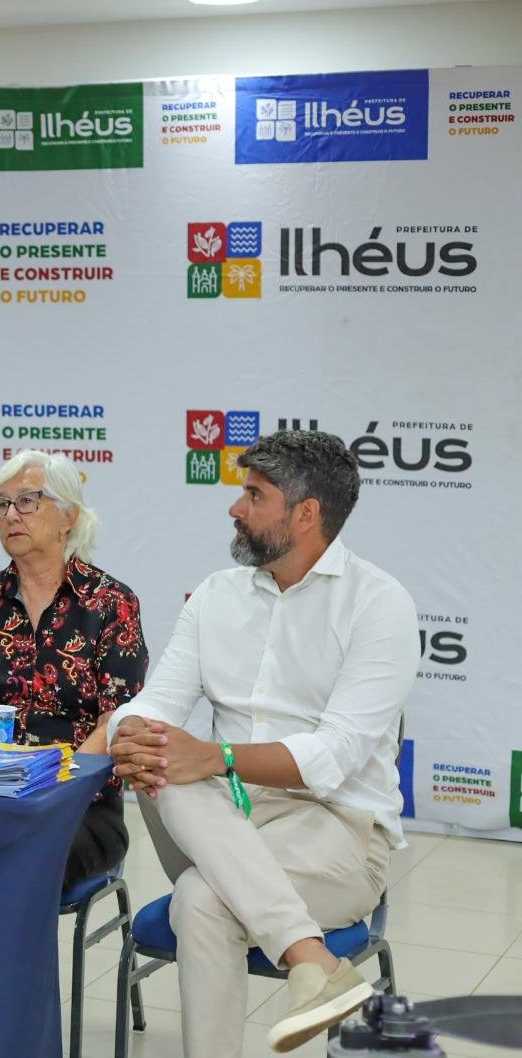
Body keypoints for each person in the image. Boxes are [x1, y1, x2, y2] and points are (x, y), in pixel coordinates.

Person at [106, 429, 417, 1056]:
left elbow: (334, 755)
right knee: (162, 757)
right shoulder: (215, 595)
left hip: (338, 830)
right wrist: (131, 730)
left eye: (254, 496)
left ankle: (305, 960)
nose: (235, 508)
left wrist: (216, 757)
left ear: (306, 514)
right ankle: (312, 959)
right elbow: (155, 703)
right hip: (217, 821)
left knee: (200, 898)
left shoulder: (379, 604)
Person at [0, 450, 146, 888]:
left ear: (68, 516)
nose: (11, 515)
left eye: (27, 501)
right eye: (1, 504)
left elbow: (116, 720)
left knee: (13, 857)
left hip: (76, 805)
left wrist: (55, 786)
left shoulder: (111, 604)